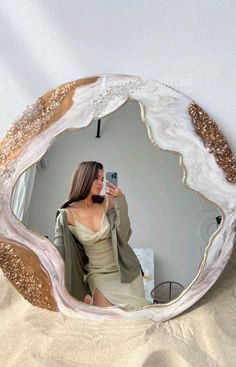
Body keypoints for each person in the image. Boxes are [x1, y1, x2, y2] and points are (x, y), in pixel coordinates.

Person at [54, 161, 152, 310]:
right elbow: (58, 252)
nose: (100, 183)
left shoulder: (108, 203)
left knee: (133, 321)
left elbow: (123, 235)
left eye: (102, 178)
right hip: (98, 274)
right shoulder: (67, 215)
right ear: (84, 178)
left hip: (125, 272)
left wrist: (121, 200)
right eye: (96, 178)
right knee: (106, 320)